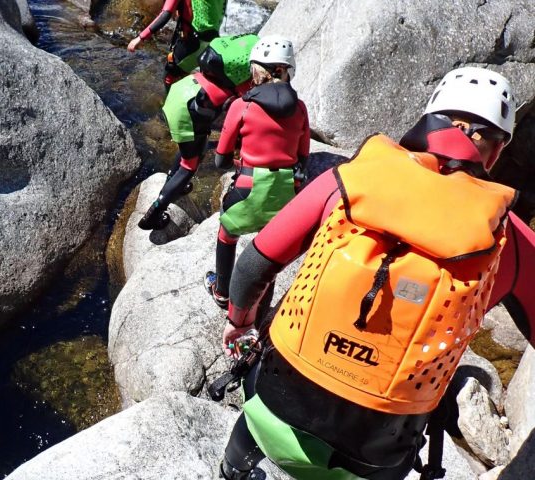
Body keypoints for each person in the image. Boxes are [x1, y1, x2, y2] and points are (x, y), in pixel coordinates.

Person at [217, 66, 535, 480]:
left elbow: (253, 265)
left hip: (274, 411)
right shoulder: (510, 240)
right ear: (495, 150)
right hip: (376, 456)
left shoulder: (349, 179)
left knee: (260, 393)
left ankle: (232, 469)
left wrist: (239, 323)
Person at [203, 35, 310, 309]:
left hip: (250, 186)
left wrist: (239, 166)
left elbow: (220, 161)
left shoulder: (243, 105)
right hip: (287, 190)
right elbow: (303, 157)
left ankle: (222, 291)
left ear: (260, 70)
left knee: (227, 231)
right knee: (269, 246)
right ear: (286, 70)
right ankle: (260, 298)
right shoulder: (300, 108)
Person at [139, 34, 258, 230]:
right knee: (189, 167)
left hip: (182, 92)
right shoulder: (240, 81)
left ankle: (172, 178)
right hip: (188, 110)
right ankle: (155, 211)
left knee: (191, 147)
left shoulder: (219, 72)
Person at [127, 0, 227, 92]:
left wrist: (140, 38)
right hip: (213, 42)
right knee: (191, 72)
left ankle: (168, 103)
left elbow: (165, 15)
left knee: (170, 73)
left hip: (193, 43)